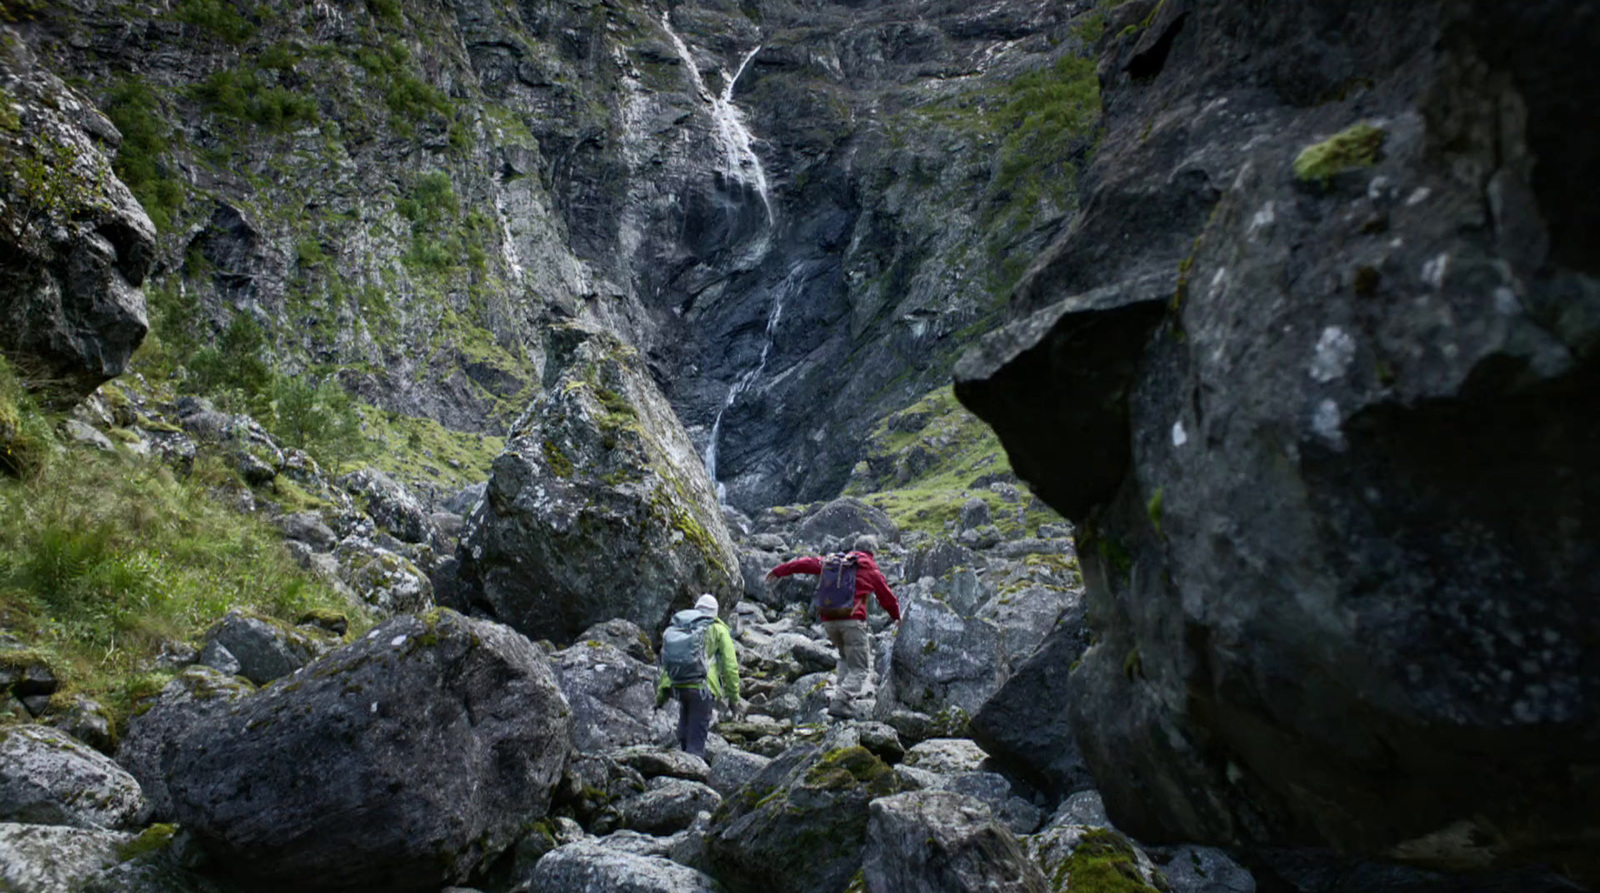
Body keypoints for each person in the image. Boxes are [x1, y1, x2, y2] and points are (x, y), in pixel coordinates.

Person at [765, 534, 900, 717]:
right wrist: (897, 617)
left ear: (854, 548)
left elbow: (805, 563)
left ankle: (841, 698)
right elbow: (887, 598)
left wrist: (780, 570)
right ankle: (841, 700)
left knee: (845, 657)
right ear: (872, 552)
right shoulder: (870, 568)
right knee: (860, 669)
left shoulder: (834, 561)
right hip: (852, 622)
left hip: (829, 621)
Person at [655, 593, 741, 759]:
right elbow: (730, 666)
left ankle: (678, 768)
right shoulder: (718, 629)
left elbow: (668, 662)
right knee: (696, 739)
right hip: (703, 689)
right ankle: (691, 775)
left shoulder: (680, 627)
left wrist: (661, 695)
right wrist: (733, 699)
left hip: (678, 686)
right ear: (715, 612)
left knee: (684, 731)